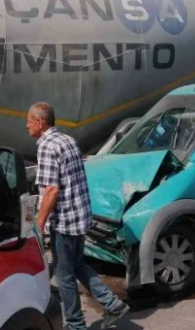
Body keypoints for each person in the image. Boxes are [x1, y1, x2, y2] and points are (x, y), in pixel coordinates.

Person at [27, 102, 129, 330]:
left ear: (40, 122)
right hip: (80, 218)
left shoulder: (46, 146)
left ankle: (75, 325)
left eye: (29, 121)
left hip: (64, 223)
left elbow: (51, 190)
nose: (27, 126)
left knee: (64, 277)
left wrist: (39, 224)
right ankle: (113, 305)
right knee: (78, 265)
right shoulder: (68, 140)